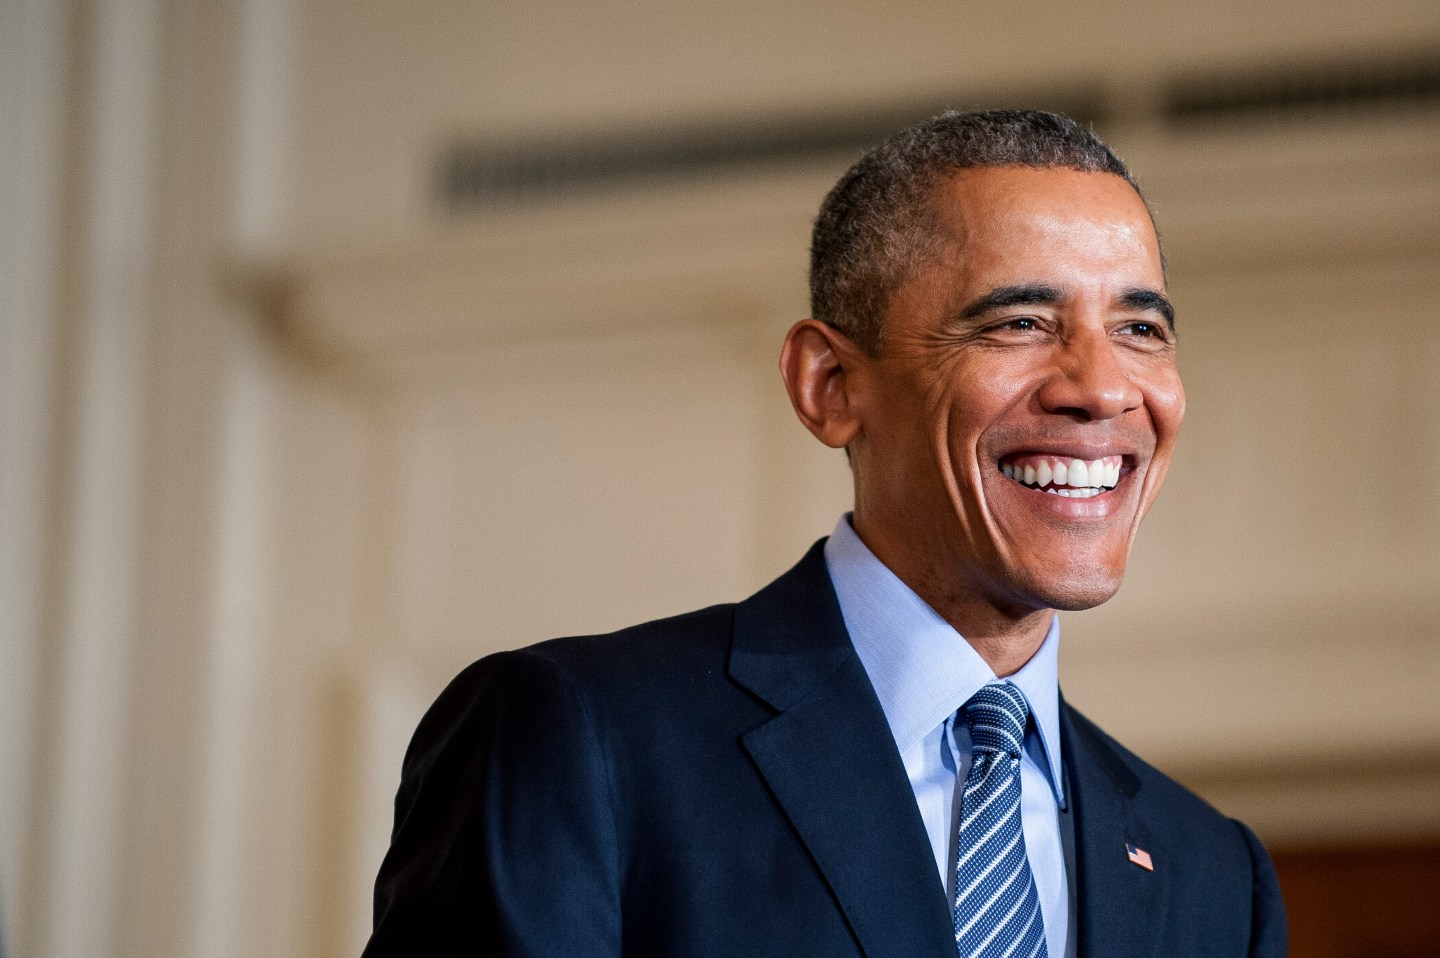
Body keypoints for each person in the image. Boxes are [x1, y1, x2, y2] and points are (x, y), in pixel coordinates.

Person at [361, 109, 1287, 958]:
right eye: (1020, 322)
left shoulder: (1214, 875)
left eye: (1140, 328)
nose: (1102, 386)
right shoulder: (581, 742)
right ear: (830, 386)